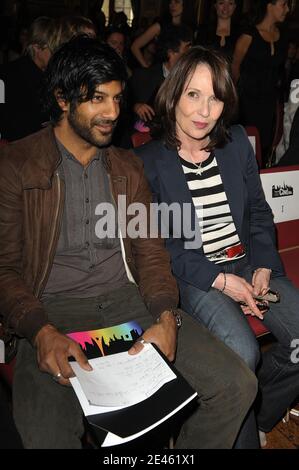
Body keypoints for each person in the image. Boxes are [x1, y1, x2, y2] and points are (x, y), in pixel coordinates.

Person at [0, 36, 257, 449]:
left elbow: (152, 254)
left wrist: (165, 316)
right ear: (62, 99)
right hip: (51, 312)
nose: (112, 113)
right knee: (46, 434)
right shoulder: (16, 165)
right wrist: (40, 330)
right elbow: (5, 268)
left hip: (128, 302)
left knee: (236, 385)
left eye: (118, 99)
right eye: (97, 99)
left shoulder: (126, 167)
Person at [135, 46, 299, 449]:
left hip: (247, 262)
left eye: (215, 97)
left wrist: (263, 264)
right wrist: (222, 281)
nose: (204, 110)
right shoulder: (148, 161)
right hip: (198, 275)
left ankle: (260, 412)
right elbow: (162, 245)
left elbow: (260, 212)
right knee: (243, 355)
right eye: (193, 94)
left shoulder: (236, 142)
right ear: (173, 94)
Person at [232, 0, 289, 166]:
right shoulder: (248, 35)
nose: (287, 9)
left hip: (269, 103)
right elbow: (234, 68)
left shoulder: (283, 36)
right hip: (247, 103)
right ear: (269, 5)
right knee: (245, 148)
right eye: (283, 4)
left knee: (263, 151)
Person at [0, 16, 55, 141]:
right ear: (36, 47)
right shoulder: (7, 75)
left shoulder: (52, 75)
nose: (57, 53)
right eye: (53, 49)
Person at [129, 24, 192, 128]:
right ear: (171, 53)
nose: (191, 53)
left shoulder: (192, 79)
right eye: (187, 49)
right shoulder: (144, 76)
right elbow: (124, 102)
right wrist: (136, 107)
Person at [131, 0, 193, 69]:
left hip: (180, 72)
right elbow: (135, 46)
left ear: (185, 5)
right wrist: (146, 68)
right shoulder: (160, 26)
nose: (172, 5)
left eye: (177, 2)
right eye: (170, 2)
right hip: (160, 73)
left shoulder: (188, 28)